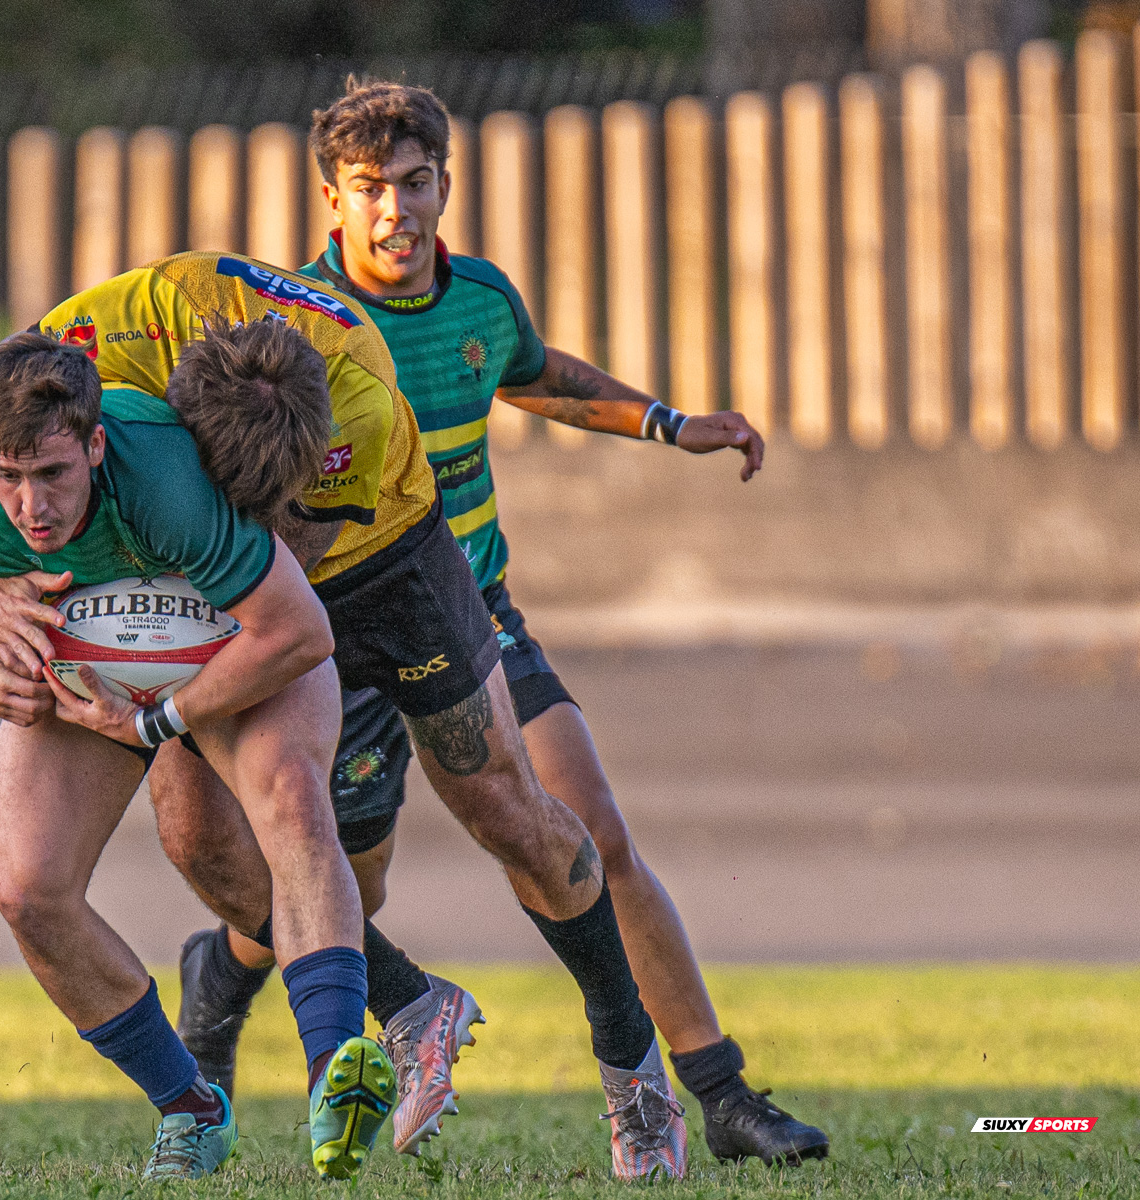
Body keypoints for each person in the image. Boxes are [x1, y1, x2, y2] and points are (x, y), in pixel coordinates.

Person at [0, 250, 680, 1180]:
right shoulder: (121, 328)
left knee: (509, 810)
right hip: (207, 573)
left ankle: (633, 1065)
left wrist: (170, 697)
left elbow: (288, 606)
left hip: (381, 557)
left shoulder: (356, 400)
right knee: (201, 842)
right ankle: (407, 1003)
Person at [171, 79, 830, 1171]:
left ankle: (715, 1090)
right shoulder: (288, 320)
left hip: (473, 614)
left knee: (589, 833)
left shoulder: (479, 298)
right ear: (331, 200)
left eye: (416, 182)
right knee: (345, 884)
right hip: (332, 635)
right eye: (370, 188)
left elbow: (534, 376)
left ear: (446, 185)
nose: (396, 210)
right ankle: (229, 966)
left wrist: (669, 424)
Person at [0, 330, 395, 1181]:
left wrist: (155, 722)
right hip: (82, 656)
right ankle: (189, 1109)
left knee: (290, 800)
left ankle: (333, 1079)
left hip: (234, 638)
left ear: (95, 444)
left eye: (54, 475)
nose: (30, 507)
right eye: (7, 477)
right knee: (28, 888)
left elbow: (298, 632)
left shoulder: (163, 480)